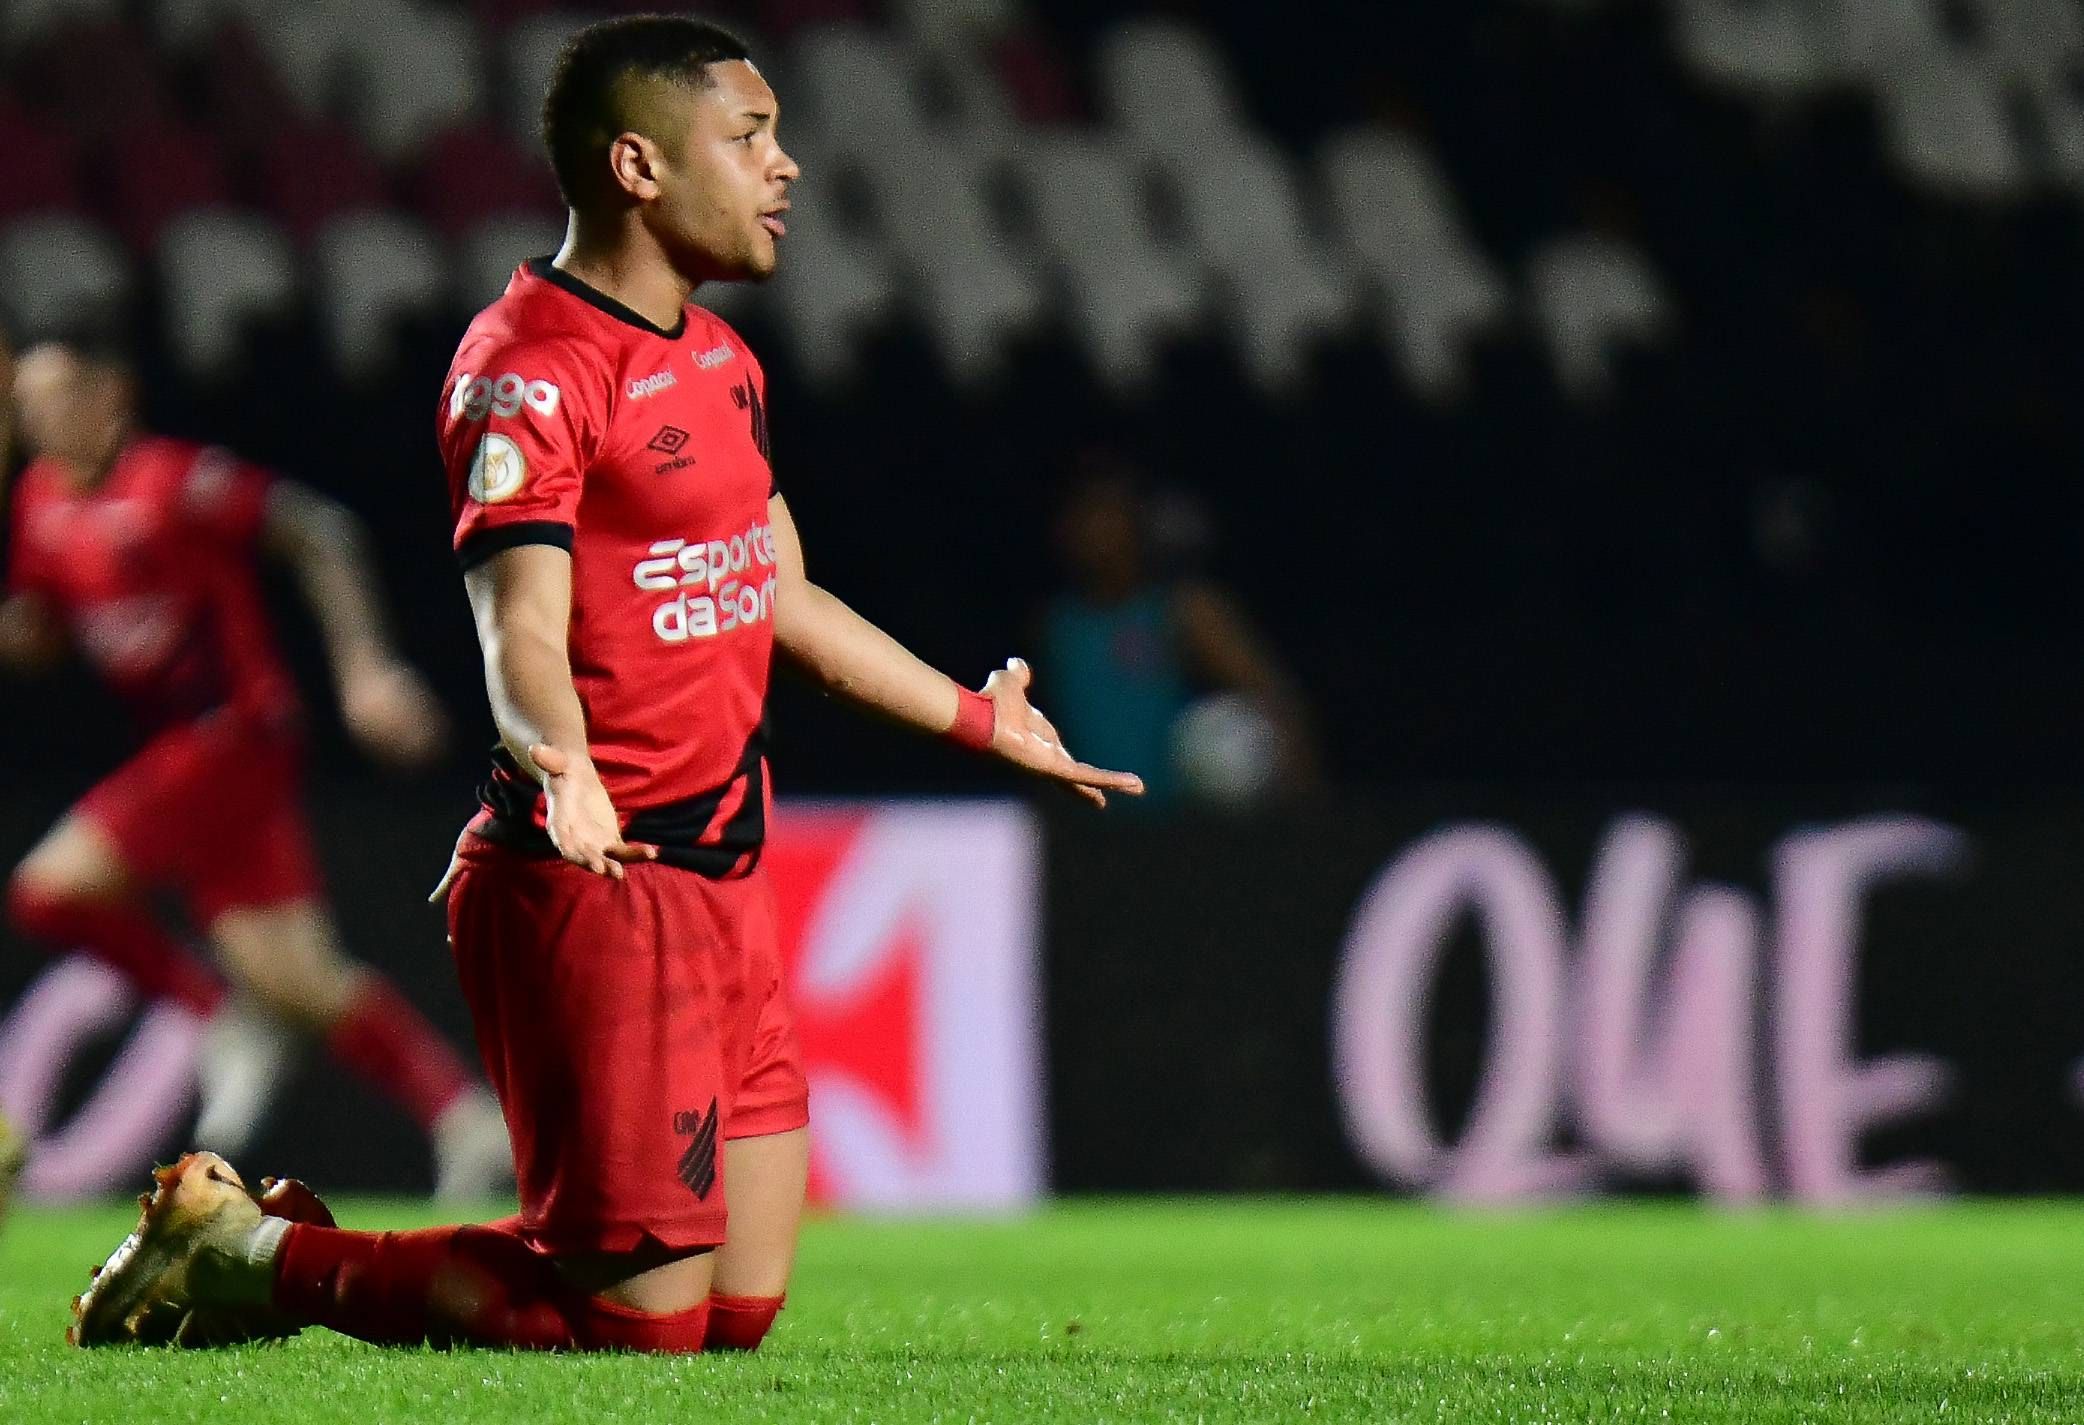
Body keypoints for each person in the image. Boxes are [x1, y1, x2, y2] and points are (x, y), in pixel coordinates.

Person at [68, 14, 1140, 1354]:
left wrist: (982, 720)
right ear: (638, 164)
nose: (787, 166)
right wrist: (561, 770)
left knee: (730, 1315)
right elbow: (519, 628)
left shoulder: (722, 364)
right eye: (750, 137)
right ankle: (250, 1254)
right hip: (593, 878)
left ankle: (262, 1246)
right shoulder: (528, 369)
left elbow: (781, 595)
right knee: (638, 1329)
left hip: (723, 877)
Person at [0, 317, 511, 1199]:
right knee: (303, 982)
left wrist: (366, 669)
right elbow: (41, 635)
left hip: (237, 734)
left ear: (112, 392)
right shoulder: (40, 503)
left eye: (61, 396)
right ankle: (466, 1119)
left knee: (47, 889)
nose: (45, 417)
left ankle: (214, 1015)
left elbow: (320, 531)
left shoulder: (175, 480)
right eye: (29, 404)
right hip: (184, 758)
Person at [1043, 460, 1318, 808]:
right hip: (1093, 833)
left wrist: (1304, 811)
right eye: (1085, 513)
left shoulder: (1184, 610)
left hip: (1178, 834)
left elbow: (1275, 700)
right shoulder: (1057, 627)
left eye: (1110, 512)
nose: (1096, 529)